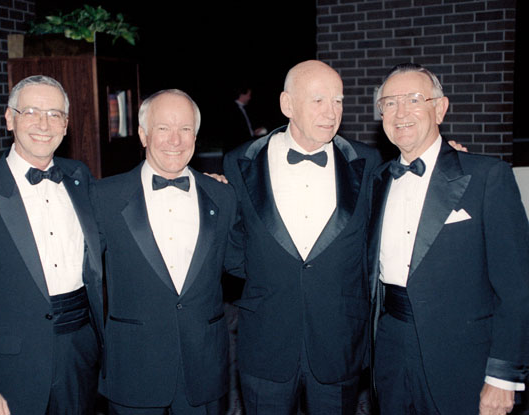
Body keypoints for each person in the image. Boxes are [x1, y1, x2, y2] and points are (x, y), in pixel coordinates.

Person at [368, 63, 529, 415]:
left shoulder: (487, 177)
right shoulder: (377, 181)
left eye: (414, 99)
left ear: (440, 108)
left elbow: (517, 287)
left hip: (463, 359)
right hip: (391, 350)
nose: (401, 112)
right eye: (390, 103)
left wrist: (503, 376)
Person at [222, 60, 382, 414]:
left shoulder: (367, 162)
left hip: (339, 344)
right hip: (266, 344)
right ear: (287, 105)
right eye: (318, 100)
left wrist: (449, 162)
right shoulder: (239, 162)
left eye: (338, 101)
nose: (331, 112)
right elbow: (230, 244)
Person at [0, 75, 104, 415]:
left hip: (81, 355)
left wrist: (201, 183)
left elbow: (128, 203)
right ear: (9, 118)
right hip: (10, 368)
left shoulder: (80, 178)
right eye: (31, 111)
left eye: (55, 114)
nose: (44, 124)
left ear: (66, 125)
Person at [91, 89, 241, 415]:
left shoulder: (223, 196)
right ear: (143, 135)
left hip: (204, 370)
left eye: (185, 129)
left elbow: (242, 264)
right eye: (163, 128)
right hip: (133, 371)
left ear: (196, 136)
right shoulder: (104, 198)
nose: (175, 139)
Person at [223, 85, 267, 153]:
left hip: (244, 146)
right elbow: (233, 132)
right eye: (248, 95)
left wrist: (253, 132)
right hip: (236, 149)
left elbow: (243, 128)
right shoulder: (231, 110)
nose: (250, 98)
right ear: (242, 95)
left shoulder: (244, 109)